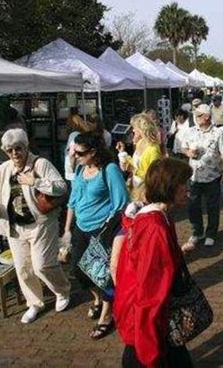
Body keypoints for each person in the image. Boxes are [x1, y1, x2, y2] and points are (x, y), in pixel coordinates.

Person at [0, 128, 71, 324]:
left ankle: (62, 291)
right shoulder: (3, 170)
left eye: (18, 148)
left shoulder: (41, 164)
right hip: (14, 227)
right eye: (9, 150)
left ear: (26, 146)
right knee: (23, 269)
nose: (14, 153)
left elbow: (62, 187)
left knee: (42, 266)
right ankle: (35, 303)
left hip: (40, 224)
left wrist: (36, 182)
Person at [114, 158, 195, 368]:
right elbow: (151, 293)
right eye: (184, 183)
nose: (188, 188)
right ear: (169, 187)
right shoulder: (155, 227)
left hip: (147, 320)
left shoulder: (158, 216)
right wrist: (150, 348)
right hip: (147, 325)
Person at [63, 132, 129, 339]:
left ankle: (107, 316)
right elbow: (73, 201)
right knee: (77, 270)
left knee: (102, 275)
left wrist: (109, 230)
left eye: (79, 153)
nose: (74, 156)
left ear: (93, 152)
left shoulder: (109, 170)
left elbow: (121, 203)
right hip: (81, 229)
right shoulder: (81, 168)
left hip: (102, 231)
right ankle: (99, 299)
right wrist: (66, 229)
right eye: (73, 151)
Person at [182, 104, 223, 249]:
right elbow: (183, 147)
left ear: (206, 117)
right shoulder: (190, 131)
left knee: (213, 207)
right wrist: (188, 153)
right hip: (194, 177)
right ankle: (197, 232)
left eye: (198, 115)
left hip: (212, 176)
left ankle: (211, 233)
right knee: (193, 206)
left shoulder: (218, 133)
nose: (195, 118)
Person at [116, 113, 162, 199]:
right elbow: (135, 163)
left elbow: (154, 177)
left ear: (142, 129)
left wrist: (133, 170)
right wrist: (122, 152)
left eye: (134, 128)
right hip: (135, 189)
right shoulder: (140, 143)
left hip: (146, 193)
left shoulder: (153, 149)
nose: (132, 130)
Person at [64, 111, 89, 181]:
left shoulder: (73, 135)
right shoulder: (81, 135)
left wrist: (71, 169)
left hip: (74, 172)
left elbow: (72, 153)